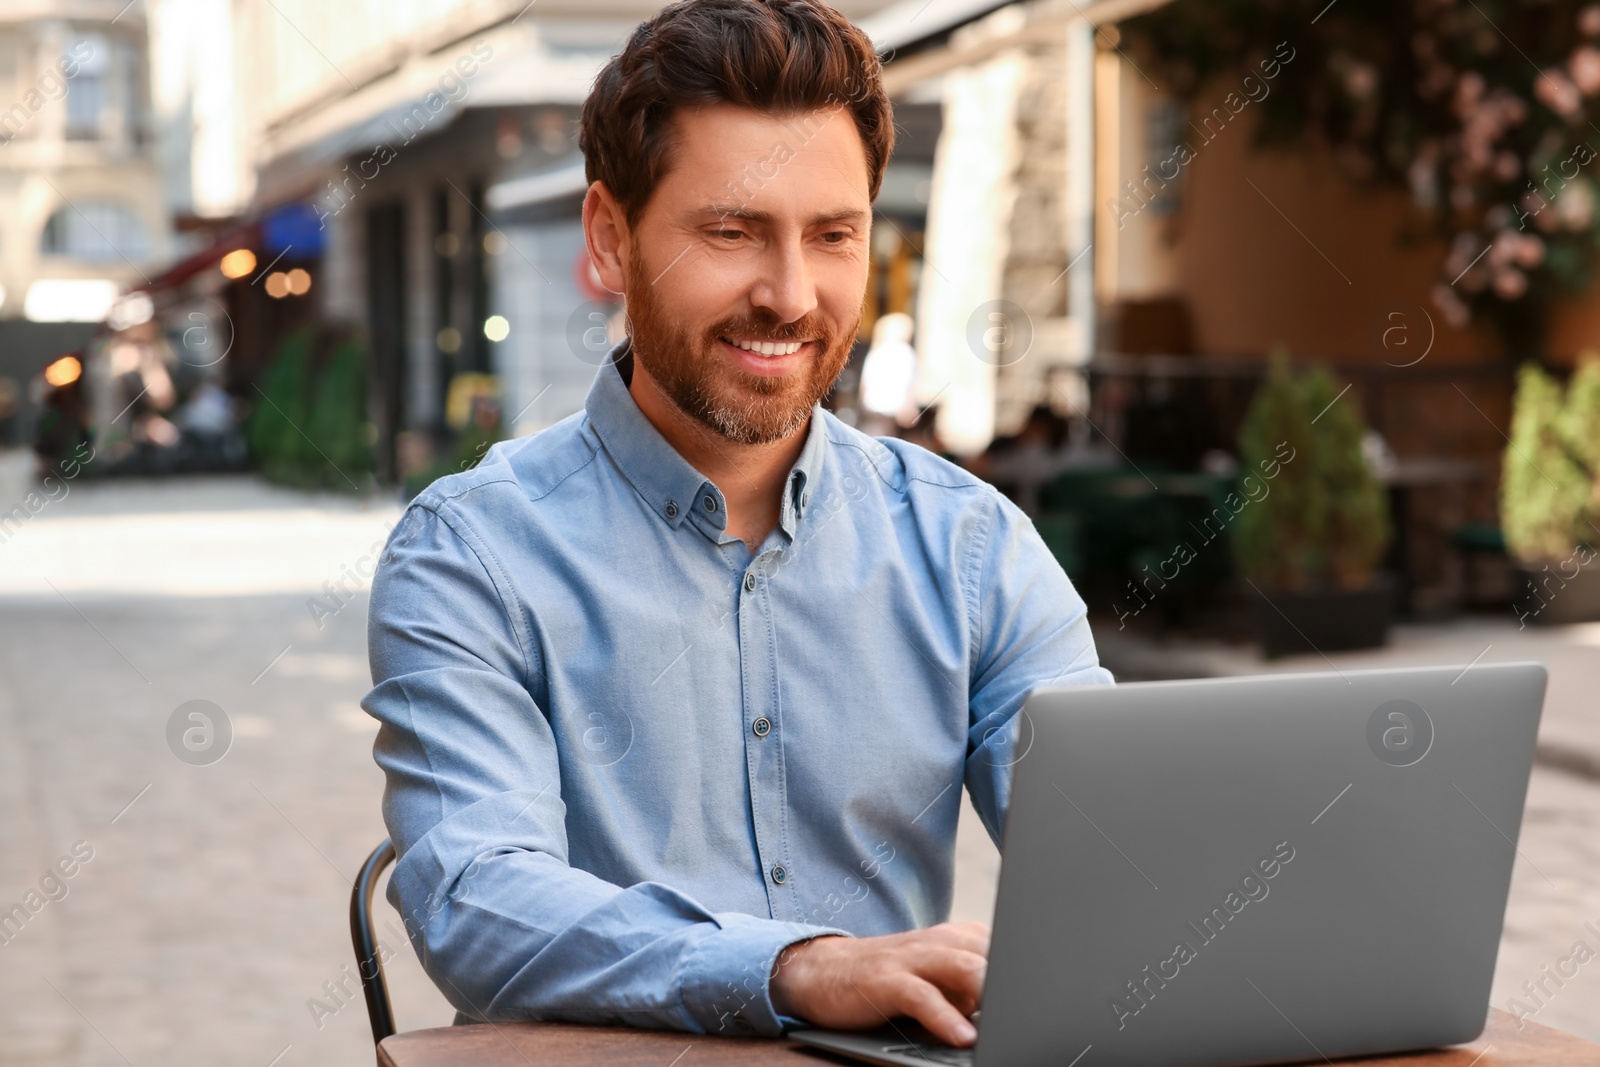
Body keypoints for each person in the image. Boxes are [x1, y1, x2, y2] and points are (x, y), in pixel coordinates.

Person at [362, 0, 1110, 1048]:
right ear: (611, 238)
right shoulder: (471, 555)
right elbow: (478, 901)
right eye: (732, 231)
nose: (791, 294)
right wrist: (796, 968)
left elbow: (1114, 853)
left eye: (834, 235)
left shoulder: (970, 546)